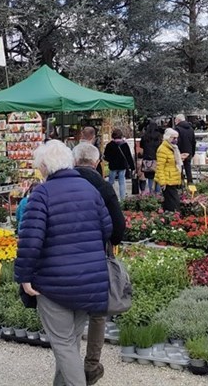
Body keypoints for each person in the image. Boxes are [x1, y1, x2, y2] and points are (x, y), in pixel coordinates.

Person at [16, 140, 113, 386]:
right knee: (69, 342)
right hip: (90, 279)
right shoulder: (90, 188)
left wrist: (24, 277)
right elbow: (107, 228)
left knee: (63, 344)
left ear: (46, 167)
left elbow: (30, 239)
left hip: (54, 282)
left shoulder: (42, 193)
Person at [72, 143, 126, 385]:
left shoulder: (60, 182)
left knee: (69, 306)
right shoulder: (102, 186)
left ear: (74, 161)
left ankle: (68, 361)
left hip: (66, 252)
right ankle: (91, 364)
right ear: (96, 162)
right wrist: (111, 241)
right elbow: (118, 227)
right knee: (97, 311)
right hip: (97, 252)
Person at [156, 128, 183, 212]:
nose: (176, 140)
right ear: (168, 138)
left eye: (176, 138)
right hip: (167, 180)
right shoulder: (163, 149)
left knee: (170, 202)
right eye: (173, 138)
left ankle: (170, 218)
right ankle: (174, 219)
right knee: (173, 203)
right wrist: (162, 182)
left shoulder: (173, 148)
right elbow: (160, 167)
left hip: (173, 178)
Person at [103, 129, 135, 201]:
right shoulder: (124, 144)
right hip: (122, 166)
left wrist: (110, 159)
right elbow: (128, 156)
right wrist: (132, 167)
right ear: (121, 135)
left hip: (113, 166)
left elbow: (106, 157)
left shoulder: (109, 145)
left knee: (111, 182)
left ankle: (110, 196)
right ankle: (122, 198)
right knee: (122, 182)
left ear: (113, 136)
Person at [139, 122, 162, 194]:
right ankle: (157, 192)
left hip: (147, 160)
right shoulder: (159, 136)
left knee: (149, 177)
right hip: (157, 159)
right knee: (158, 176)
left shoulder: (144, 137)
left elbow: (141, 146)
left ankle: (151, 192)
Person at [174, 114, 196, 184]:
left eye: (175, 120)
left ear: (178, 120)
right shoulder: (191, 129)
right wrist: (192, 152)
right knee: (188, 170)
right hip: (189, 152)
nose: (175, 122)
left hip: (180, 153)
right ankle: (190, 184)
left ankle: (180, 185)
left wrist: (177, 152)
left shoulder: (177, 129)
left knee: (179, 169)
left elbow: (177, 142)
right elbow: (194, 142)